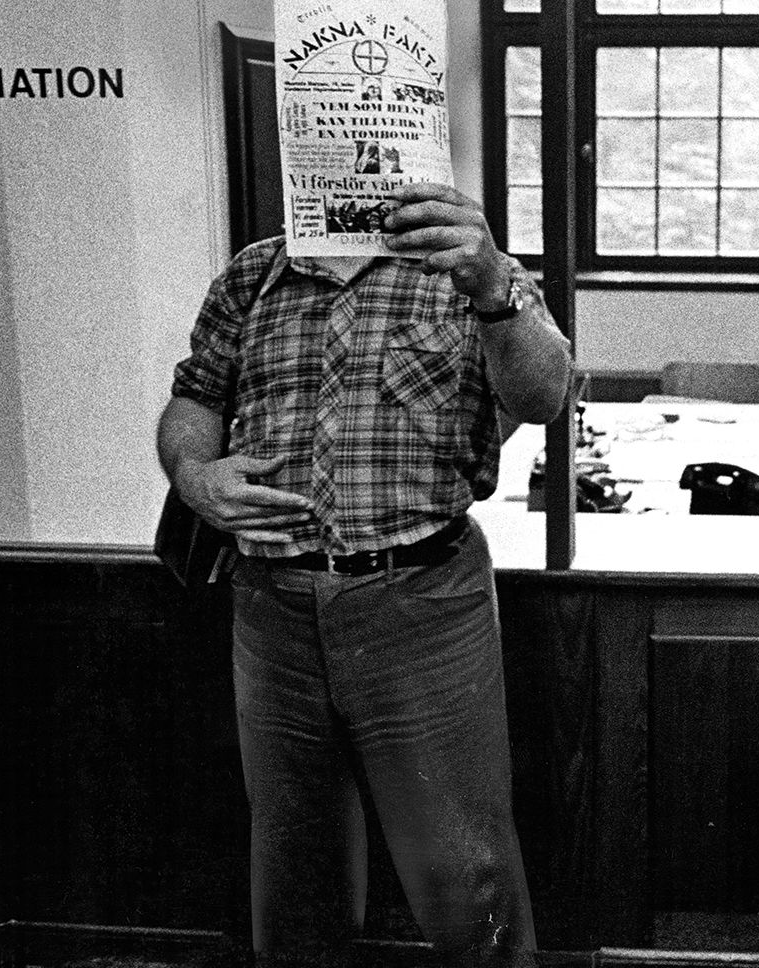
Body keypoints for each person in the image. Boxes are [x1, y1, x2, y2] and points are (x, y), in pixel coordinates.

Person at [158, 180, 571, 966]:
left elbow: (545, 395)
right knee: (295, 872)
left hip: (422, 599)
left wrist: (493, 285)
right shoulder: (254, 273)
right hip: (271, 610)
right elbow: (193, 401)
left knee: (468, 872)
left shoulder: (465, 270)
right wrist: (193, 476)